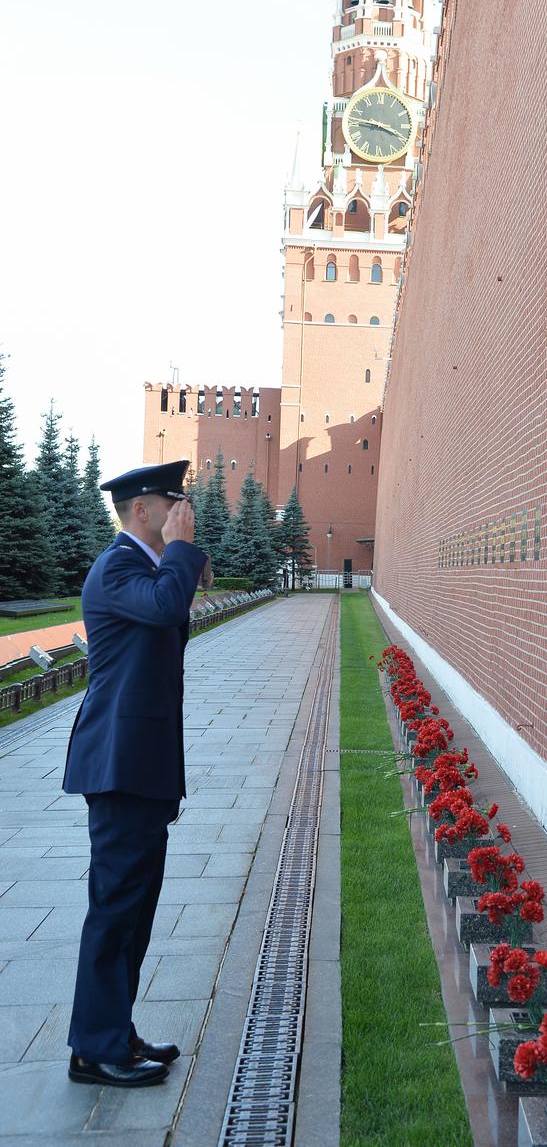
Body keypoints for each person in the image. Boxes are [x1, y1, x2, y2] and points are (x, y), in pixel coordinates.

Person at [63, 460, 210, 1088]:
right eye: (170, 502)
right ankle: (95, 1048)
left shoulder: (143, 569)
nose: (181, 510)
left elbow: (169, 621)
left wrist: (178, 560)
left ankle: (113, 1032)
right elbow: (165, 607)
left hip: (141, 769)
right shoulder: (116, 567)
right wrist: (181, 551)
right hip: (119, 768)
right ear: (142, 511)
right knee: (115, 909)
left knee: (136, 909)